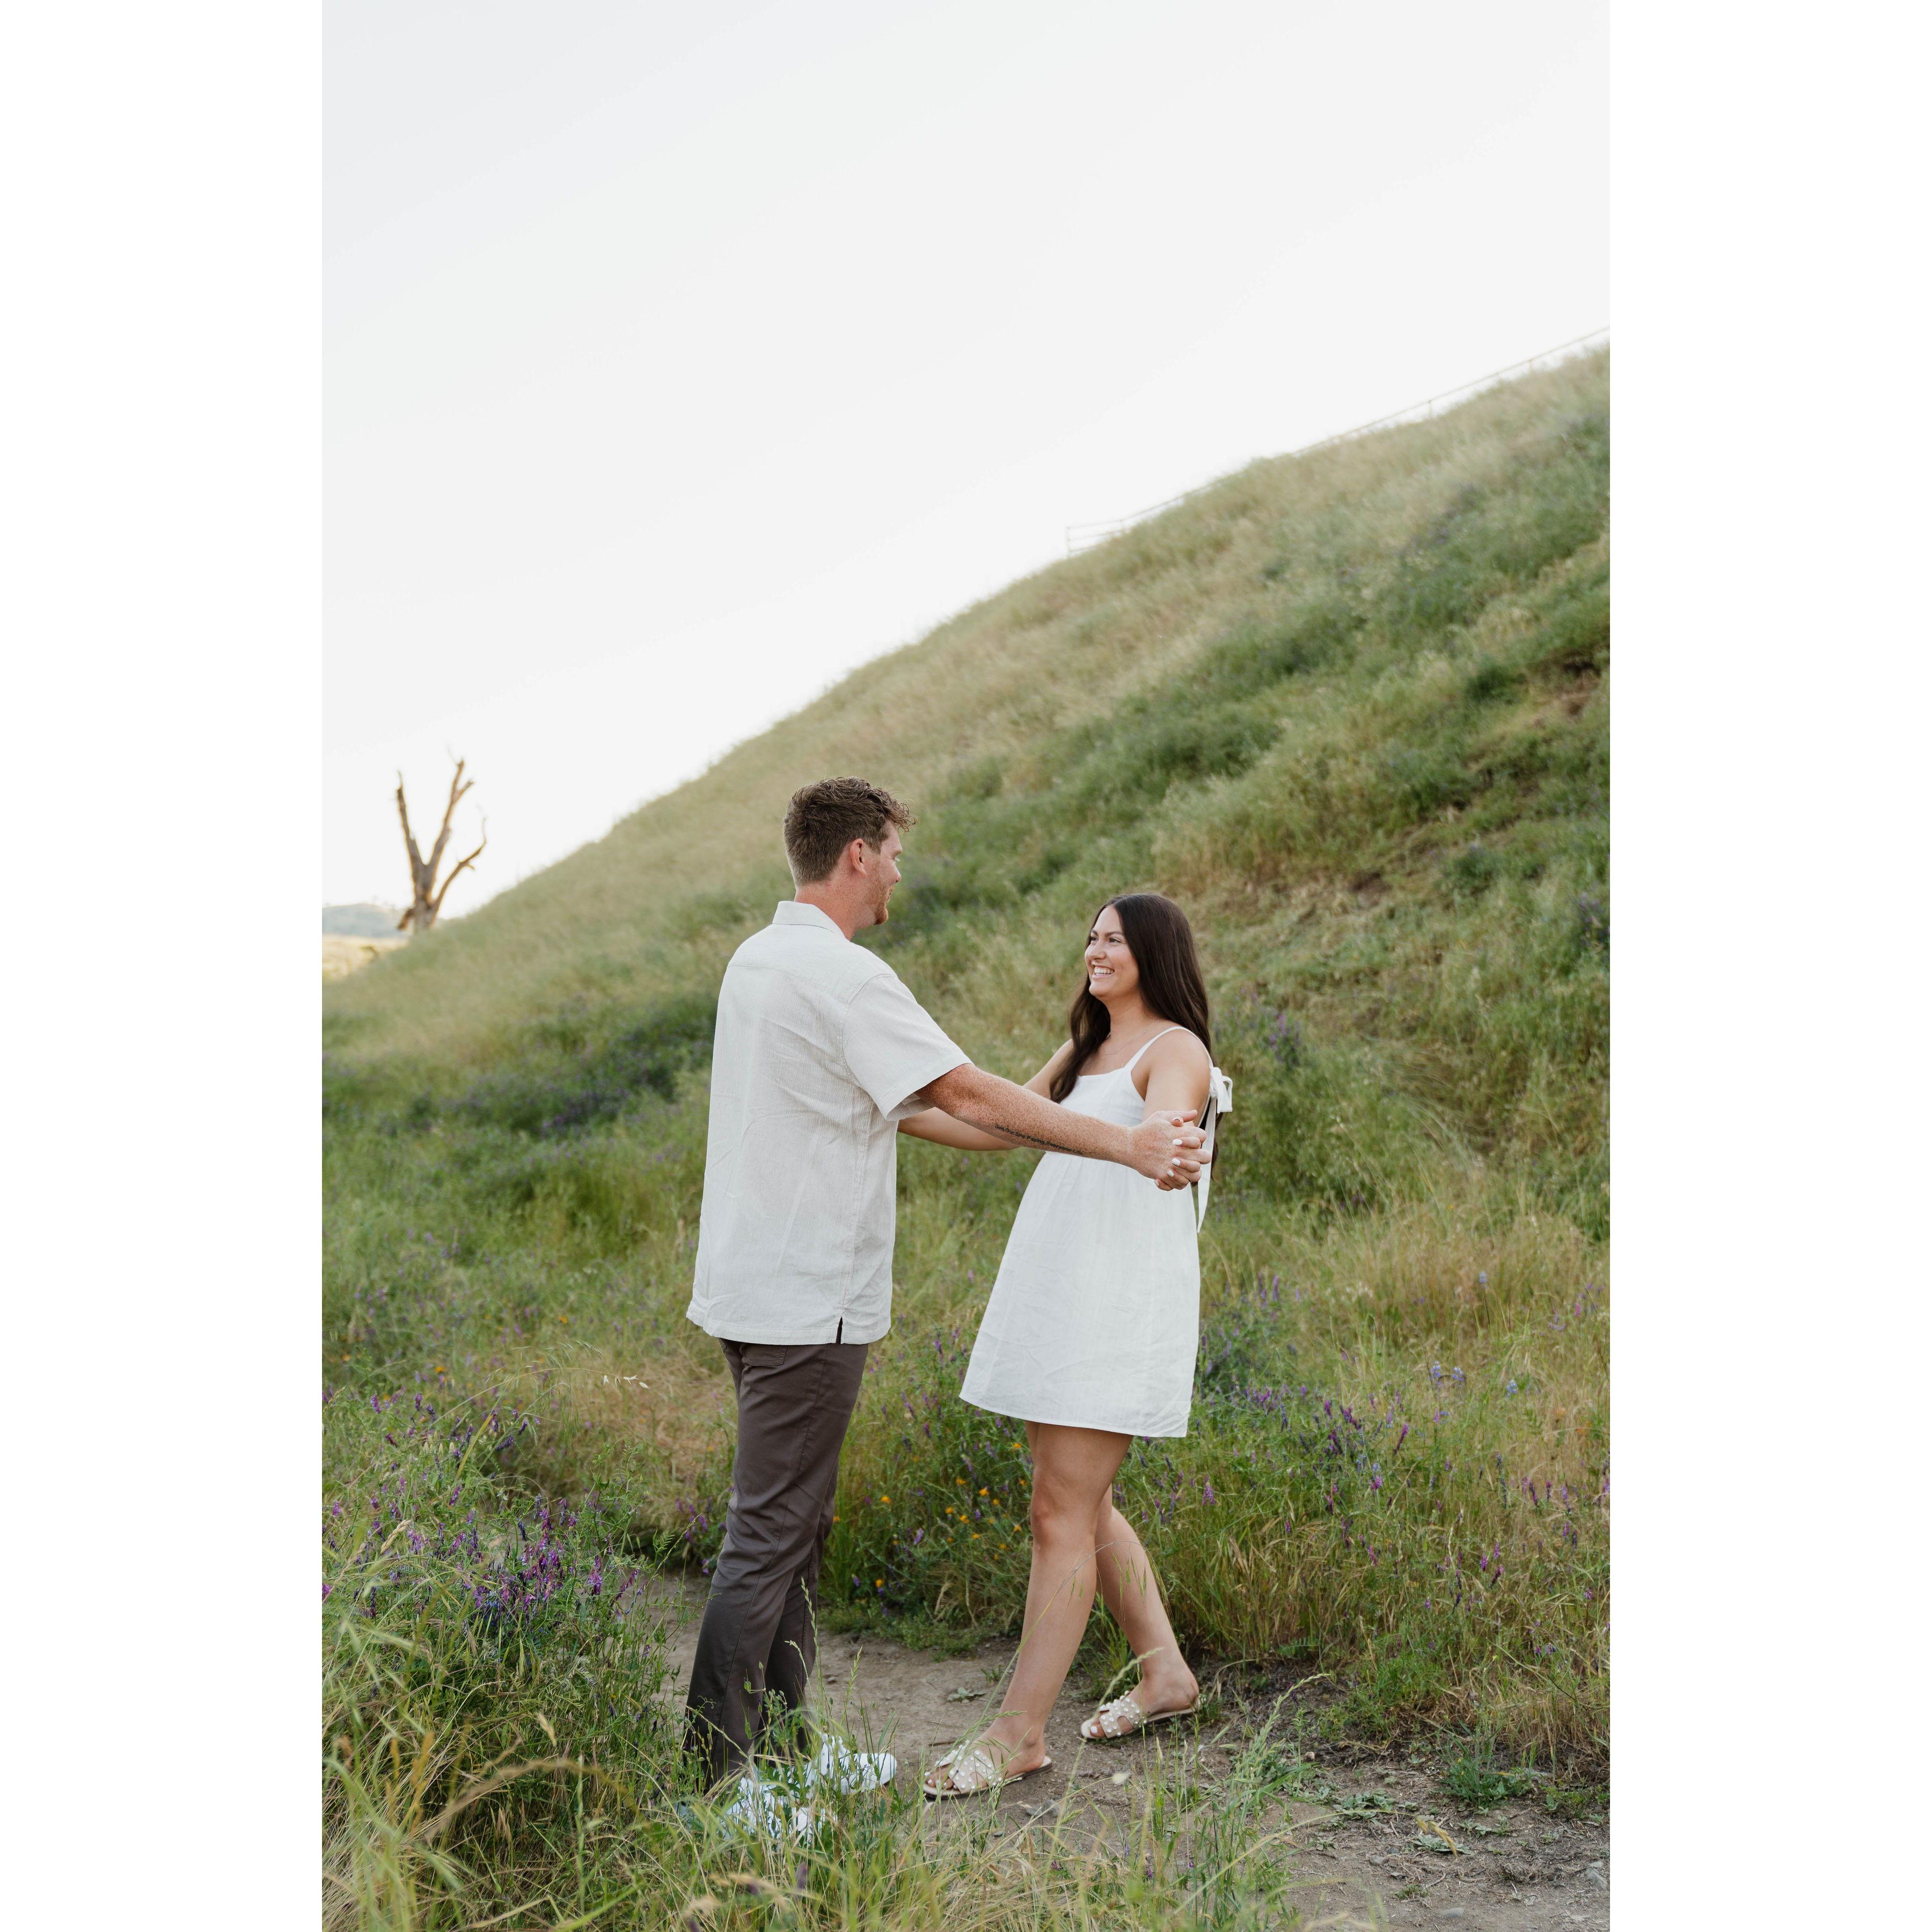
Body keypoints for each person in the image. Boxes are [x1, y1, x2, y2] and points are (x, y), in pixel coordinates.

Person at [681, 781, 1206, 1796]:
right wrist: (1125, 1145)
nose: (899, 872)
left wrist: (1134, 1142)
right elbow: (969, 1097)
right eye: (892, 853)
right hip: (810, 1296)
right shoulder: (847, 977)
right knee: (775, 1534)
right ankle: (726, 1783)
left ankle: (798, 1752)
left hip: (765, 1284)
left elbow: (978, 1113)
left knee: (811, 1526)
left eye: (1113, 938)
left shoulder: (758, 959)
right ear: (857, 857)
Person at [900, 892, 1219, 1798]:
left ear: (1155, 952)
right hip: (1060, 1289)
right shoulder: (1083, 1047)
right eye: (1091, 937)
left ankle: (1019, 1735)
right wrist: (885, 1114)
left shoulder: (1177, 1052)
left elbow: (1168, 1129)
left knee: (1059, 1513)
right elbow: (999, 1124)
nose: (1095, 950)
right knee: (1082, 1501)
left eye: (1115, 939)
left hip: (1114, 1299)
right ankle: (1167, 1674)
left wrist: (1167, 1145)